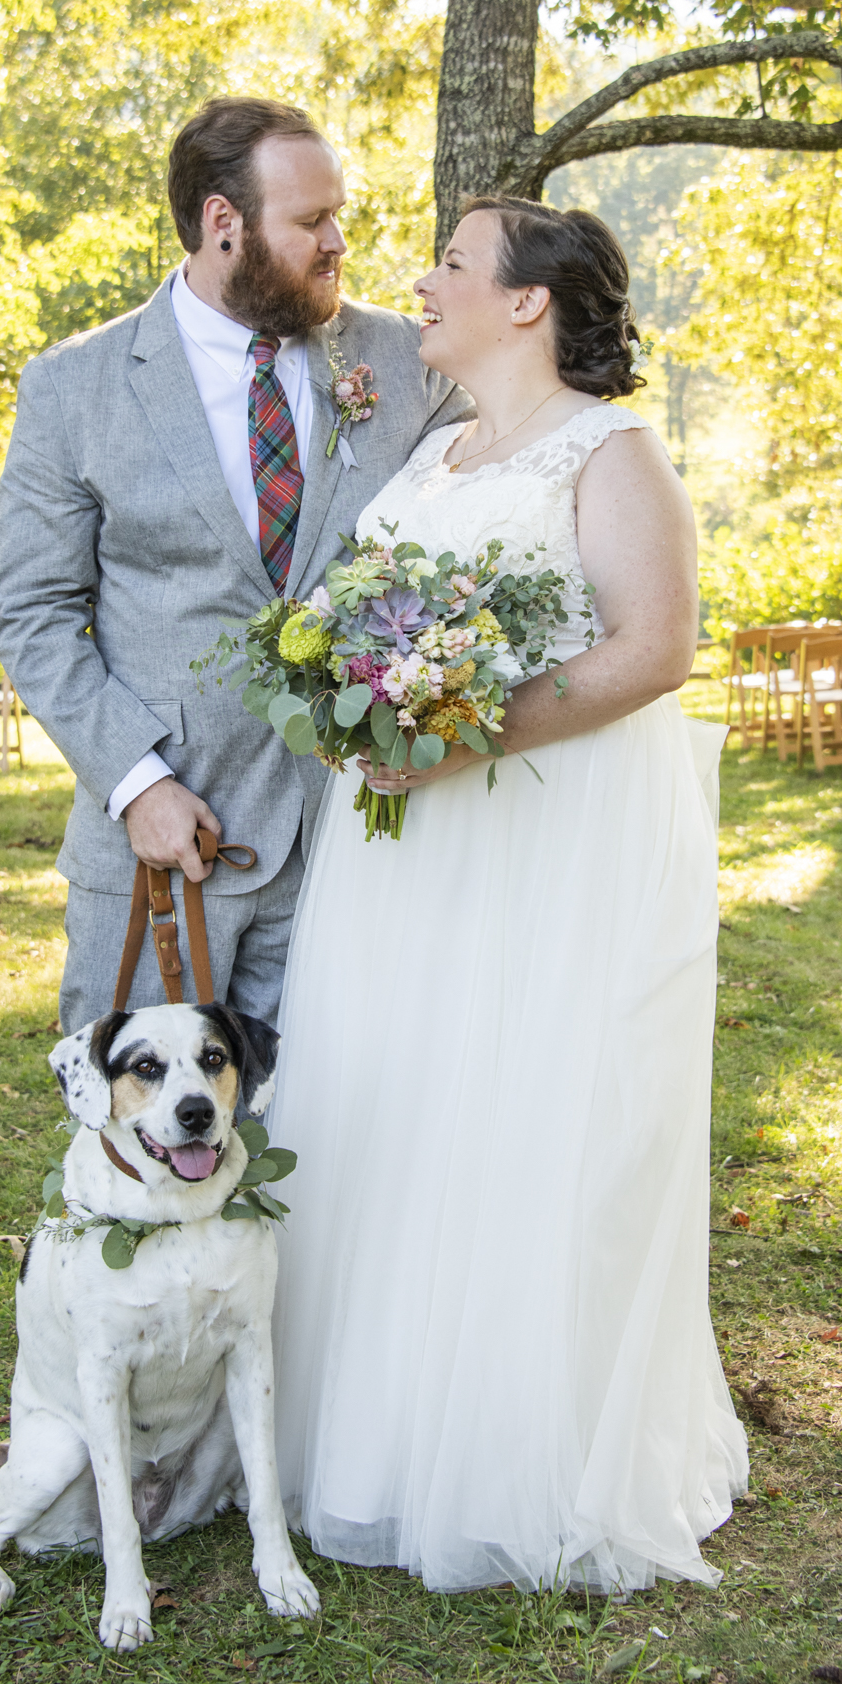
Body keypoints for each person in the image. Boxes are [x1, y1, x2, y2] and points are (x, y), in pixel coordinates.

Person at [268, 194, 749, 1596]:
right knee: (398, 1103)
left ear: (526, 301)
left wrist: (460, 732)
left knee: (523, 1108)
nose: (417, 284)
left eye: (450, 265)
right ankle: (367, 1438)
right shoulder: (433, 450)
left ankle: (511, 1454)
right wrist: (363, 708)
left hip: (540, 838)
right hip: (406, 848)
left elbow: (653, 648)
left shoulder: (610, 451)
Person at [0, 98, 470, 1031]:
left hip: (362, 840)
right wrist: (136, 784)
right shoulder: (73, 387)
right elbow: (32, 610)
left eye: (338, 215)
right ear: (222, 223)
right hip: (172, 844)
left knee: (335, 1147)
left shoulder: (410, 360)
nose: (337, 242)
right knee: (151, 1157)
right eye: (310, 221)